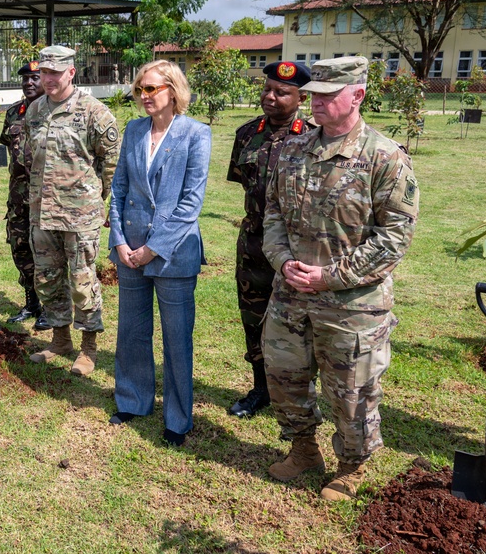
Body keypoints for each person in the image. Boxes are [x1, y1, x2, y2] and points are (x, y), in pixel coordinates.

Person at [262, 56, 419, 500]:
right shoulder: (293, 149)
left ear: (358, 96)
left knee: (352, 392)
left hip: (353, 305)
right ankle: (303, 448)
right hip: (290, 294)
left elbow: (394, 239)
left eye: (330, 97)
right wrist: (281, 261)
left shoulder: (384, 157)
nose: (318, 104)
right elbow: (272, 213)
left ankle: (352, 466)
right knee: (285, 376)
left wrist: (331, 276)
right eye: (314, 96)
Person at [107, 60, 211, 446]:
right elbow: (118, 189)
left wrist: (152, 249)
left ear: (173, 90)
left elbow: (190, 203)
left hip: (172, 253)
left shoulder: (196, 134)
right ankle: (133, 400)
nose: (144, 96)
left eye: (151, 89)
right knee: (131, 331)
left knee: (176, 338)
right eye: (140, 90)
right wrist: (119, 241)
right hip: (129, 248)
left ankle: (178, 418)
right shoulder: (133, 130)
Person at [25, 45, 120, 376]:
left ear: (71, 72)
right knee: (48, 280)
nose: (48, 79)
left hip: (80, 214)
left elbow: (112, 162)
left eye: (55, 72)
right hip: (42, 211)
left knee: (82, 281)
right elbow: (30, 159)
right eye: (44, 73)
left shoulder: (94, 112)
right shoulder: (35, 110)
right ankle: (60, 340)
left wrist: (102, 200)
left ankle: (89, 348)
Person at [225, 61, 313, 418]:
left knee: (297, 326)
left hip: (297, 247)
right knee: (253, 318)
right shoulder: (247, 134)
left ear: (301, 97)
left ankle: (296, 396)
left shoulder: (311, 137)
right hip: (253, 245)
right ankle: (260, 388)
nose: (270, 97)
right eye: (267, 90)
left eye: (282, 92)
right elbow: (243, 182)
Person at [0, 60, 49, 326]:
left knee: (48, 252)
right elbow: (12, 151)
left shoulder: (55, 112)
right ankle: (31, 303)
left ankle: (51, 309)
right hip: (19, 197)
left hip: (48, 198)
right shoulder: (13, 114)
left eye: (35, 78)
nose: (29, 83)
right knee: (20, 248)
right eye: (25, 79)